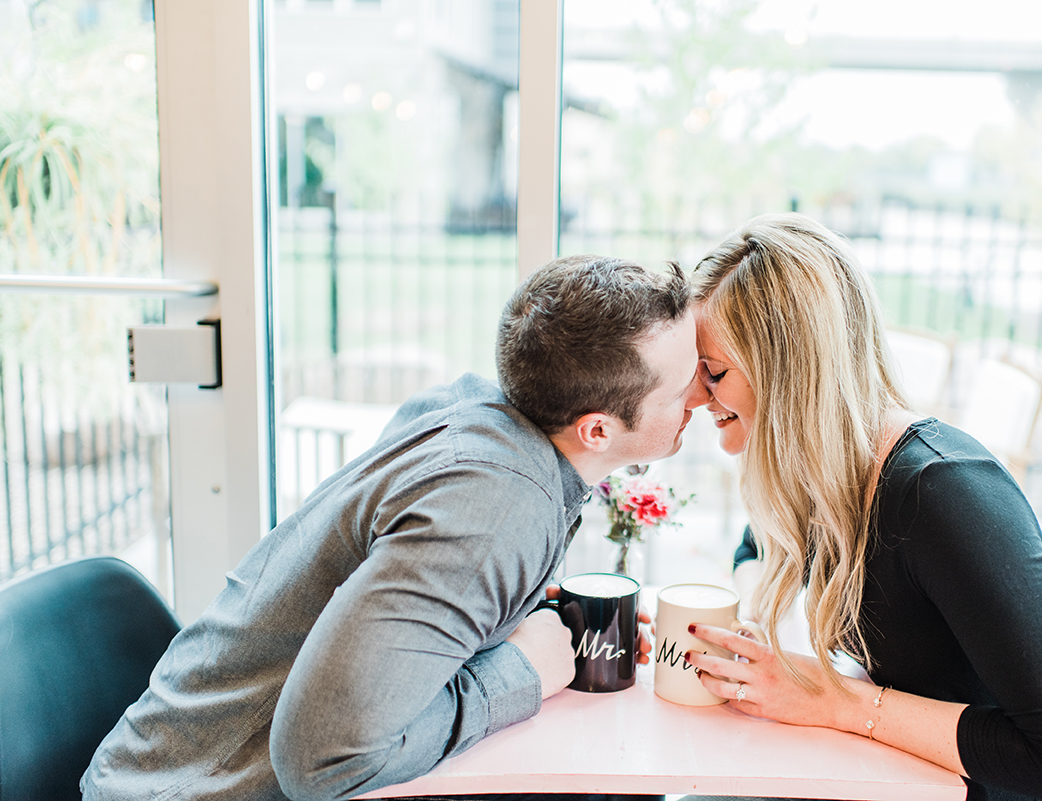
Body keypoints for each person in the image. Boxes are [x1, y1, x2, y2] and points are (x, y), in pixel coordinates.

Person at [82, 254, 711, 801]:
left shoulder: (476, 409)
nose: (703, 399)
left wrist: (510, 614)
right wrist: (524, 671)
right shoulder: (496, 506)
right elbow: (323, 761)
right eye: (684, 385)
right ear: (597, 430)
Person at [681, 214, 1042, 801]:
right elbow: (756, 544)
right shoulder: (821, 472)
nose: (694, 395)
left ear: (788, 373)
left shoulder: (945, 495)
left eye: (712, 372)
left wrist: (830, 699)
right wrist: (744, 637)